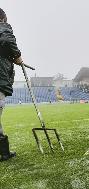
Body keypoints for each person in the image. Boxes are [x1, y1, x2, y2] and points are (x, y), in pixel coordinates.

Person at [0, 8, 23, 161]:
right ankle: (4, 153)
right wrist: (17, 56)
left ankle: (4, 153)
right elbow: (7, 40)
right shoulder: (2, 26)